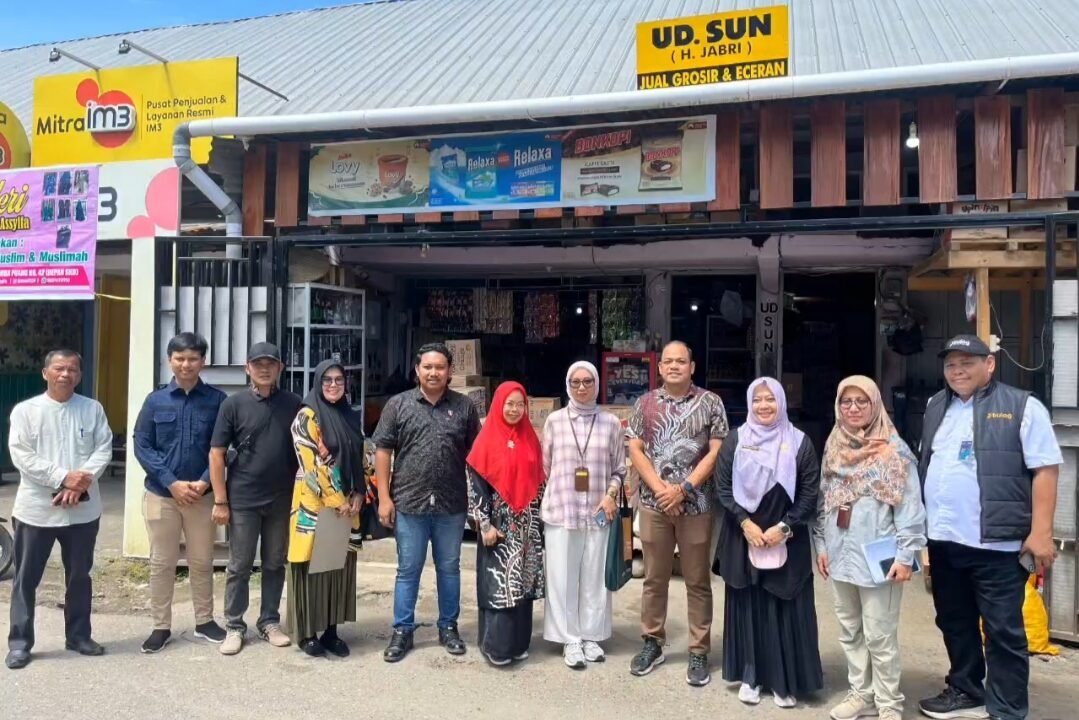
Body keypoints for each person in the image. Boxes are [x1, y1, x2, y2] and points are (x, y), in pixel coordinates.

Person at [917, 335, 1062, 720]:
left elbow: (1046, 469)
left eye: (967, 362)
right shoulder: (935, 406)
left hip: (997, 544)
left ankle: (1007, 709)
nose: (957, 371)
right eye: (950, 364)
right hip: (944, 540)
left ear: (990, 364)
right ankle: (966, 690)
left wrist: (1041, 532)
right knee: (954, 621)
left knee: (1003, 630)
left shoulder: (1022, 406)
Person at [815, 376, 926, 720]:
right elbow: (823, 501)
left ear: (875, 405)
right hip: (840, 553)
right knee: (850, 630)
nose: (853, 408)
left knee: (879, 634)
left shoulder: (894, 451)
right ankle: (860, 694)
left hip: (881, 556)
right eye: (846, 401)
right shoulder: (834, 445)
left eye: (861, 401)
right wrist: (821, 544)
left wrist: (906, 556)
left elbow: (910, 509)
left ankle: (888, 702)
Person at [713, 377, 823, 708]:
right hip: (742, 533)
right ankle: (750, 675)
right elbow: (722, 487)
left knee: (784, 604)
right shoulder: (736, 439)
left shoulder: (800, 442)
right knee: (748, 605)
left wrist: (785, 527)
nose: (763, 406)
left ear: (781, 402)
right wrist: (744, 523)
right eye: (757, 400)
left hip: (787, 534)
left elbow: (809, 493)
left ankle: (783, 681)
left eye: (770, 399)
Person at [626, 340, 727, 686]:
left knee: (697, 580)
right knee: (655, 579)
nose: (673, 366)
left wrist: (683, 489)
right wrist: (660, 489)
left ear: (692, 367)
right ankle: (652, 642)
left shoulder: (710, 403)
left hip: (696, 505)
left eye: (680, 361)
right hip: (654, 505)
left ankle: (699, 650)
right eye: (668, 361)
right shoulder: (644, 403)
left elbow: (716, 451)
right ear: (659, 367)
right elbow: (635, 448)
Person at [373, 342, 481, 663]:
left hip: (451, 504)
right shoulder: (398, 405)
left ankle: (448, 627)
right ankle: (402, 630)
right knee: (408, 570)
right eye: (428, 367)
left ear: (450, 372)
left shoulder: (464, 407)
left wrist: (479, 503)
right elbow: (382, 450)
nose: (434, 372)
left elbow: (477, 455)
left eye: (440, 367)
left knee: (449, 569)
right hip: (409, 502)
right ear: (417, 370)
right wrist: (383, 498)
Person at [5, 349, 113, 670]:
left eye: (72, 369)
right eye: (59, 368)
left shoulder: (92, 409)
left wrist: (79, 482)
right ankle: (20, 643)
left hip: (82, 510)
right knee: (25, 579)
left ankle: (78, 636)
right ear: (45, 373)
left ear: (79, 375)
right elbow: (22, 455)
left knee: (79, 576)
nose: (65, 374)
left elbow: (103, 449)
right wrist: (63, 477)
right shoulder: (26, 411)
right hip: (36, 510)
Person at [132, 332, 227, 654]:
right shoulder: (155, 401)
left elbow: (226, 446)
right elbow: (142, 444)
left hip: (202, 496)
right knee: (162, 562)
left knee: (202, 560)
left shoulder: (217, 401)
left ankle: (205, 621)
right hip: (162, 494)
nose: (186, 364)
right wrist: (171, 481)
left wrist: (204, 482)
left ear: (203, 362)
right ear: (169, 361)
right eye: (180, 358)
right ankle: (160, 626)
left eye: (193, 358)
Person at [208, 342, 302, 656]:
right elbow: (217, 453)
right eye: (257, 363)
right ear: (247, 368)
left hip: (282, 497)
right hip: (243, 497)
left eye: (270, 363)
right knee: (239, 564)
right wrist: (220, 500)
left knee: (275, 561)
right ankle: (234, 626)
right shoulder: (233, 405)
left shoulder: (293, 404)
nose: (264, 369)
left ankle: (269, 621)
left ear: (280, 368)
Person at [541, 360, 626, 670]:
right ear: (568, 385)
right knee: (562, 575)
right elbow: (546, 467)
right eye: (575, 382)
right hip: (562, 509)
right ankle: (569, 638)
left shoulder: (610, 423)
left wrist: (610, 495)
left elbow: (619, 469)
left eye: (587, 381)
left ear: (597, 385)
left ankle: (591, 635)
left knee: (594, 575)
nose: (581, 387)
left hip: (599, 511)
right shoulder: (554, 421)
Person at [287, 360, 364, 657]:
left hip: (346, 506)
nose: (333, 385)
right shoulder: (306, 416)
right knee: (310, 567)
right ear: (318, 383)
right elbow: (312, 466)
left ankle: (331, 631)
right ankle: (307, 633)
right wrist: (337, 499)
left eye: (339, 380)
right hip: (315, 504)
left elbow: (362, 455)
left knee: (337, 567)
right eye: (327, 380)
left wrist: (359, 493)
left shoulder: (349, 415)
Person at [466, 381, 545, 666]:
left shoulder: (530, 438)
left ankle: (519, 643)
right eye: (509, 404)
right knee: (499, 586)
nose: (514, 409)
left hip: (528, 526)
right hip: (499, 526)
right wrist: (484, 524)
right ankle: (496, 646)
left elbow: (540, 480)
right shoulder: (486, 440)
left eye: (519, 404)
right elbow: (475, 486)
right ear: (498, 405)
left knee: (523, 584)